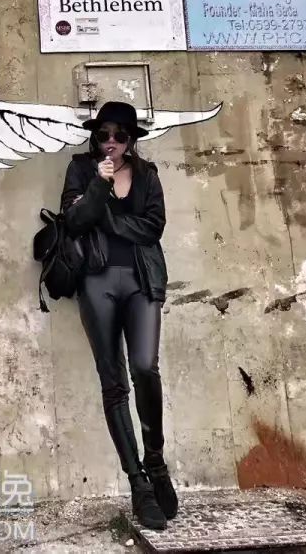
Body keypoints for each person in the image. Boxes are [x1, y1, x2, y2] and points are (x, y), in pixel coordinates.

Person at [61, 101, 176, 530]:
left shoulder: (147, 175)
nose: (110, 141)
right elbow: (74, 222)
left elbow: (153, 227)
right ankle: (139, 485)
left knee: (145, 367)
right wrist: (98, 186)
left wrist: (107, 220)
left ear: (130, 140)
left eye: (119, 135)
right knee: (114, 384)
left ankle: (156, 461)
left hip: (142, 281)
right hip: (97, 282)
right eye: (103, 134)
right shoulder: (80, 169)